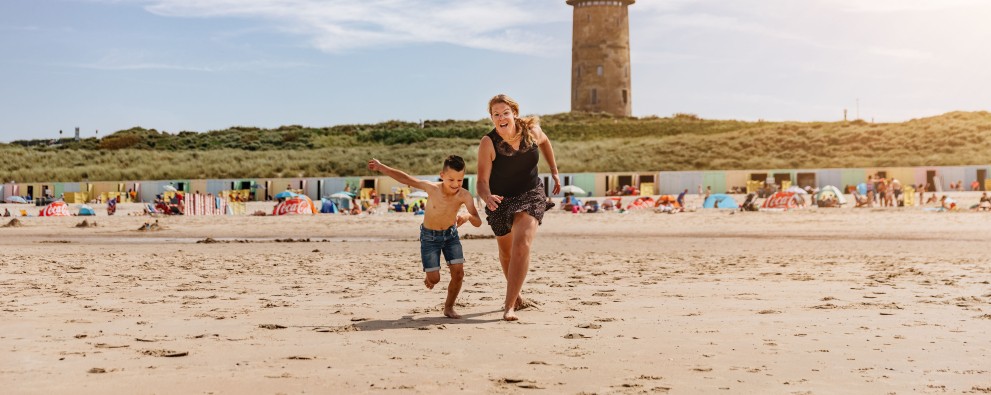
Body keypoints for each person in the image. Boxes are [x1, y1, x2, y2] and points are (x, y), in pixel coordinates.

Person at [476, 94, 560, 321]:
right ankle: (518, 296)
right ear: (492, 118)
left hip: (531, 193)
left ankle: (509, 306)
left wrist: (553, 169)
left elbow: (545, 142)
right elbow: (482, 182)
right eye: (496, 114)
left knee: (522, 244)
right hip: (501, 199)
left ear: (514, 113)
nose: (501, 118)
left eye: (505, 112)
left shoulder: (531, 131)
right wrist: (487, 197)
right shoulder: (488, 143)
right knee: (506, 251)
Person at [368, 155, 481, 319]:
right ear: (442, 176)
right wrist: (381, 167)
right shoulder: (432, 188)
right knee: (434, 279)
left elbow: (478, 221)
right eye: (451, 180)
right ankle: (430, 276)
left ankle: (449, 307)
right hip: (429, 237)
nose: (456, 184)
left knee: (458, 274)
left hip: (451, 236)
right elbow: (406, 178)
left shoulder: (464, 196)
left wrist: (468, 217)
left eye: (460, 180)